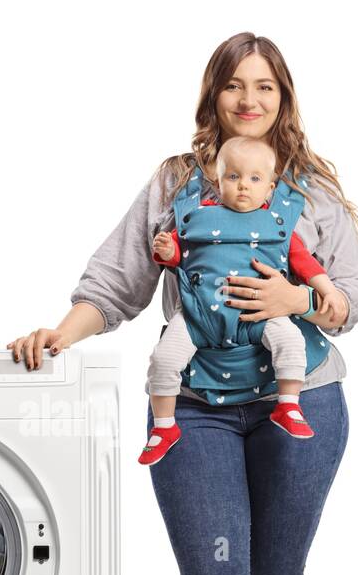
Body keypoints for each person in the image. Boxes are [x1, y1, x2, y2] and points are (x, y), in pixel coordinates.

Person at [6, 32, 358, 575]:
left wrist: (298, 300)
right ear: (213, 96)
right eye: (236, 86)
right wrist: (57, 334)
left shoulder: (309, 189)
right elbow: (120, 280)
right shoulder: (177, 182)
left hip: (300, 402)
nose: (250, 99)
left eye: (266, 87)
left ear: (285, 99)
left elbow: (353, 296)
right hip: (196, 405)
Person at [141, 134, 347, 464]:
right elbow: (180, 257)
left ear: (270, 188)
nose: (242, 186)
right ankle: (164, 426)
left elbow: (305, 264)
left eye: (254, 179)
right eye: (233, 177)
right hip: (198, 316)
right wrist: (168, 251)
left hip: (262, 315)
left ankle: (289, 404)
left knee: (290, 341)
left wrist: (328, 291)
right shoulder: (196, 217)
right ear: (217, 181)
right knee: (164, 359)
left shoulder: (277, 223)